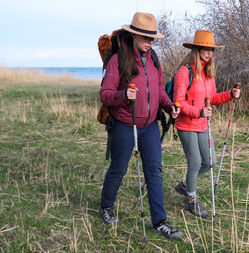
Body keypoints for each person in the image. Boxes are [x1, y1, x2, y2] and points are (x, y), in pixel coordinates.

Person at [99, 12, 183, 240]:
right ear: (134, 35)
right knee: (119, 169)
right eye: (146, 37)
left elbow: (158, 93)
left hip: (149, 126)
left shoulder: (154, 59)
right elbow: (105, 95)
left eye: (153, 38)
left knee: (154, 172)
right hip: (125, 124)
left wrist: (169, 107)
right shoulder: (119, 60)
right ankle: (106, 207)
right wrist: (124, 96)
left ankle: (160, 221)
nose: (150, 42)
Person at [172, 30, 241, 218]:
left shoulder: (208, 73)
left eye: (211, 49)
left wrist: (229, 94)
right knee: (194, 162)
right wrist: (198, 111)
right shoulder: (184, 72)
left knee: (209, 162)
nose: (209, 53)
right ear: (197, 49)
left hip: (203, 124)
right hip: (186, 124)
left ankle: (185, 186)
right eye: (206, 49)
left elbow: (214, 98)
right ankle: (192, 201)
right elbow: (178, 101)